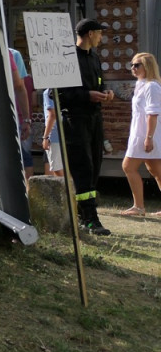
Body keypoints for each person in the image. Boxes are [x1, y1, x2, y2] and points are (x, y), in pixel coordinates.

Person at [56, 18, 114, 235]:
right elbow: (61, 94)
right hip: (75, 119)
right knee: (83, 167)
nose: (101, 37)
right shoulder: (68, 58)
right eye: (99, 33)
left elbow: (99, 83)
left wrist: (105, 93)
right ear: (90, 34)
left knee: (95, 165)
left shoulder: (95, 57)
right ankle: (89, 218)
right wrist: (86, 95)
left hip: (94, 118)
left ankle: (87, 214)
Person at [120, 52, 161, 217]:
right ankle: (139, 207)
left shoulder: (152, 86)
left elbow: (153, 113)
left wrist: (148, 138)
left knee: (128, 166)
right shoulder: (141, 84)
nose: (133, 68)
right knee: (156, 170)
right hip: (140, 133)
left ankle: (139, 207)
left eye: (137, 65)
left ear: (147, 66)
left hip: (145, 135)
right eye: (132, 65)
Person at [8, 48, 33, 183]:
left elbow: (20, 87)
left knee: (23, 156)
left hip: (18, 118)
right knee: (24, 156)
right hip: (17, 118)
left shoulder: (13, 55)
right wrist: (27, 119)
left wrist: (26, 119)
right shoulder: (12, 54)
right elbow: (21, 87)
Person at [40, 89, 65, 177]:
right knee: (65, 167)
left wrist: (45, 137)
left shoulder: (49, 91)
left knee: (57, 168)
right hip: (68, 132)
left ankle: (67, 189)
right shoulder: (67, 89)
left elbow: (52, 115)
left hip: (55, 134)